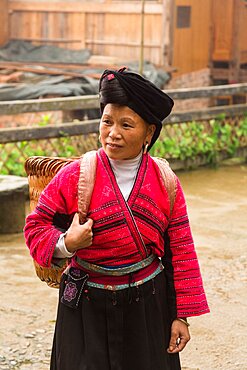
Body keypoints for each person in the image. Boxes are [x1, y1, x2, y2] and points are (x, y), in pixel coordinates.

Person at [24, 67, 209, 370]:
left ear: (149, 132)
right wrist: (67, 243)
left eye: (127, 124)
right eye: (107, 121)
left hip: (147, 306)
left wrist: (180, 315)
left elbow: (182, 250)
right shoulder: (76, 176)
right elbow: (35, 226)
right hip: (85, 304)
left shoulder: (165, 181)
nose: (113, 133)